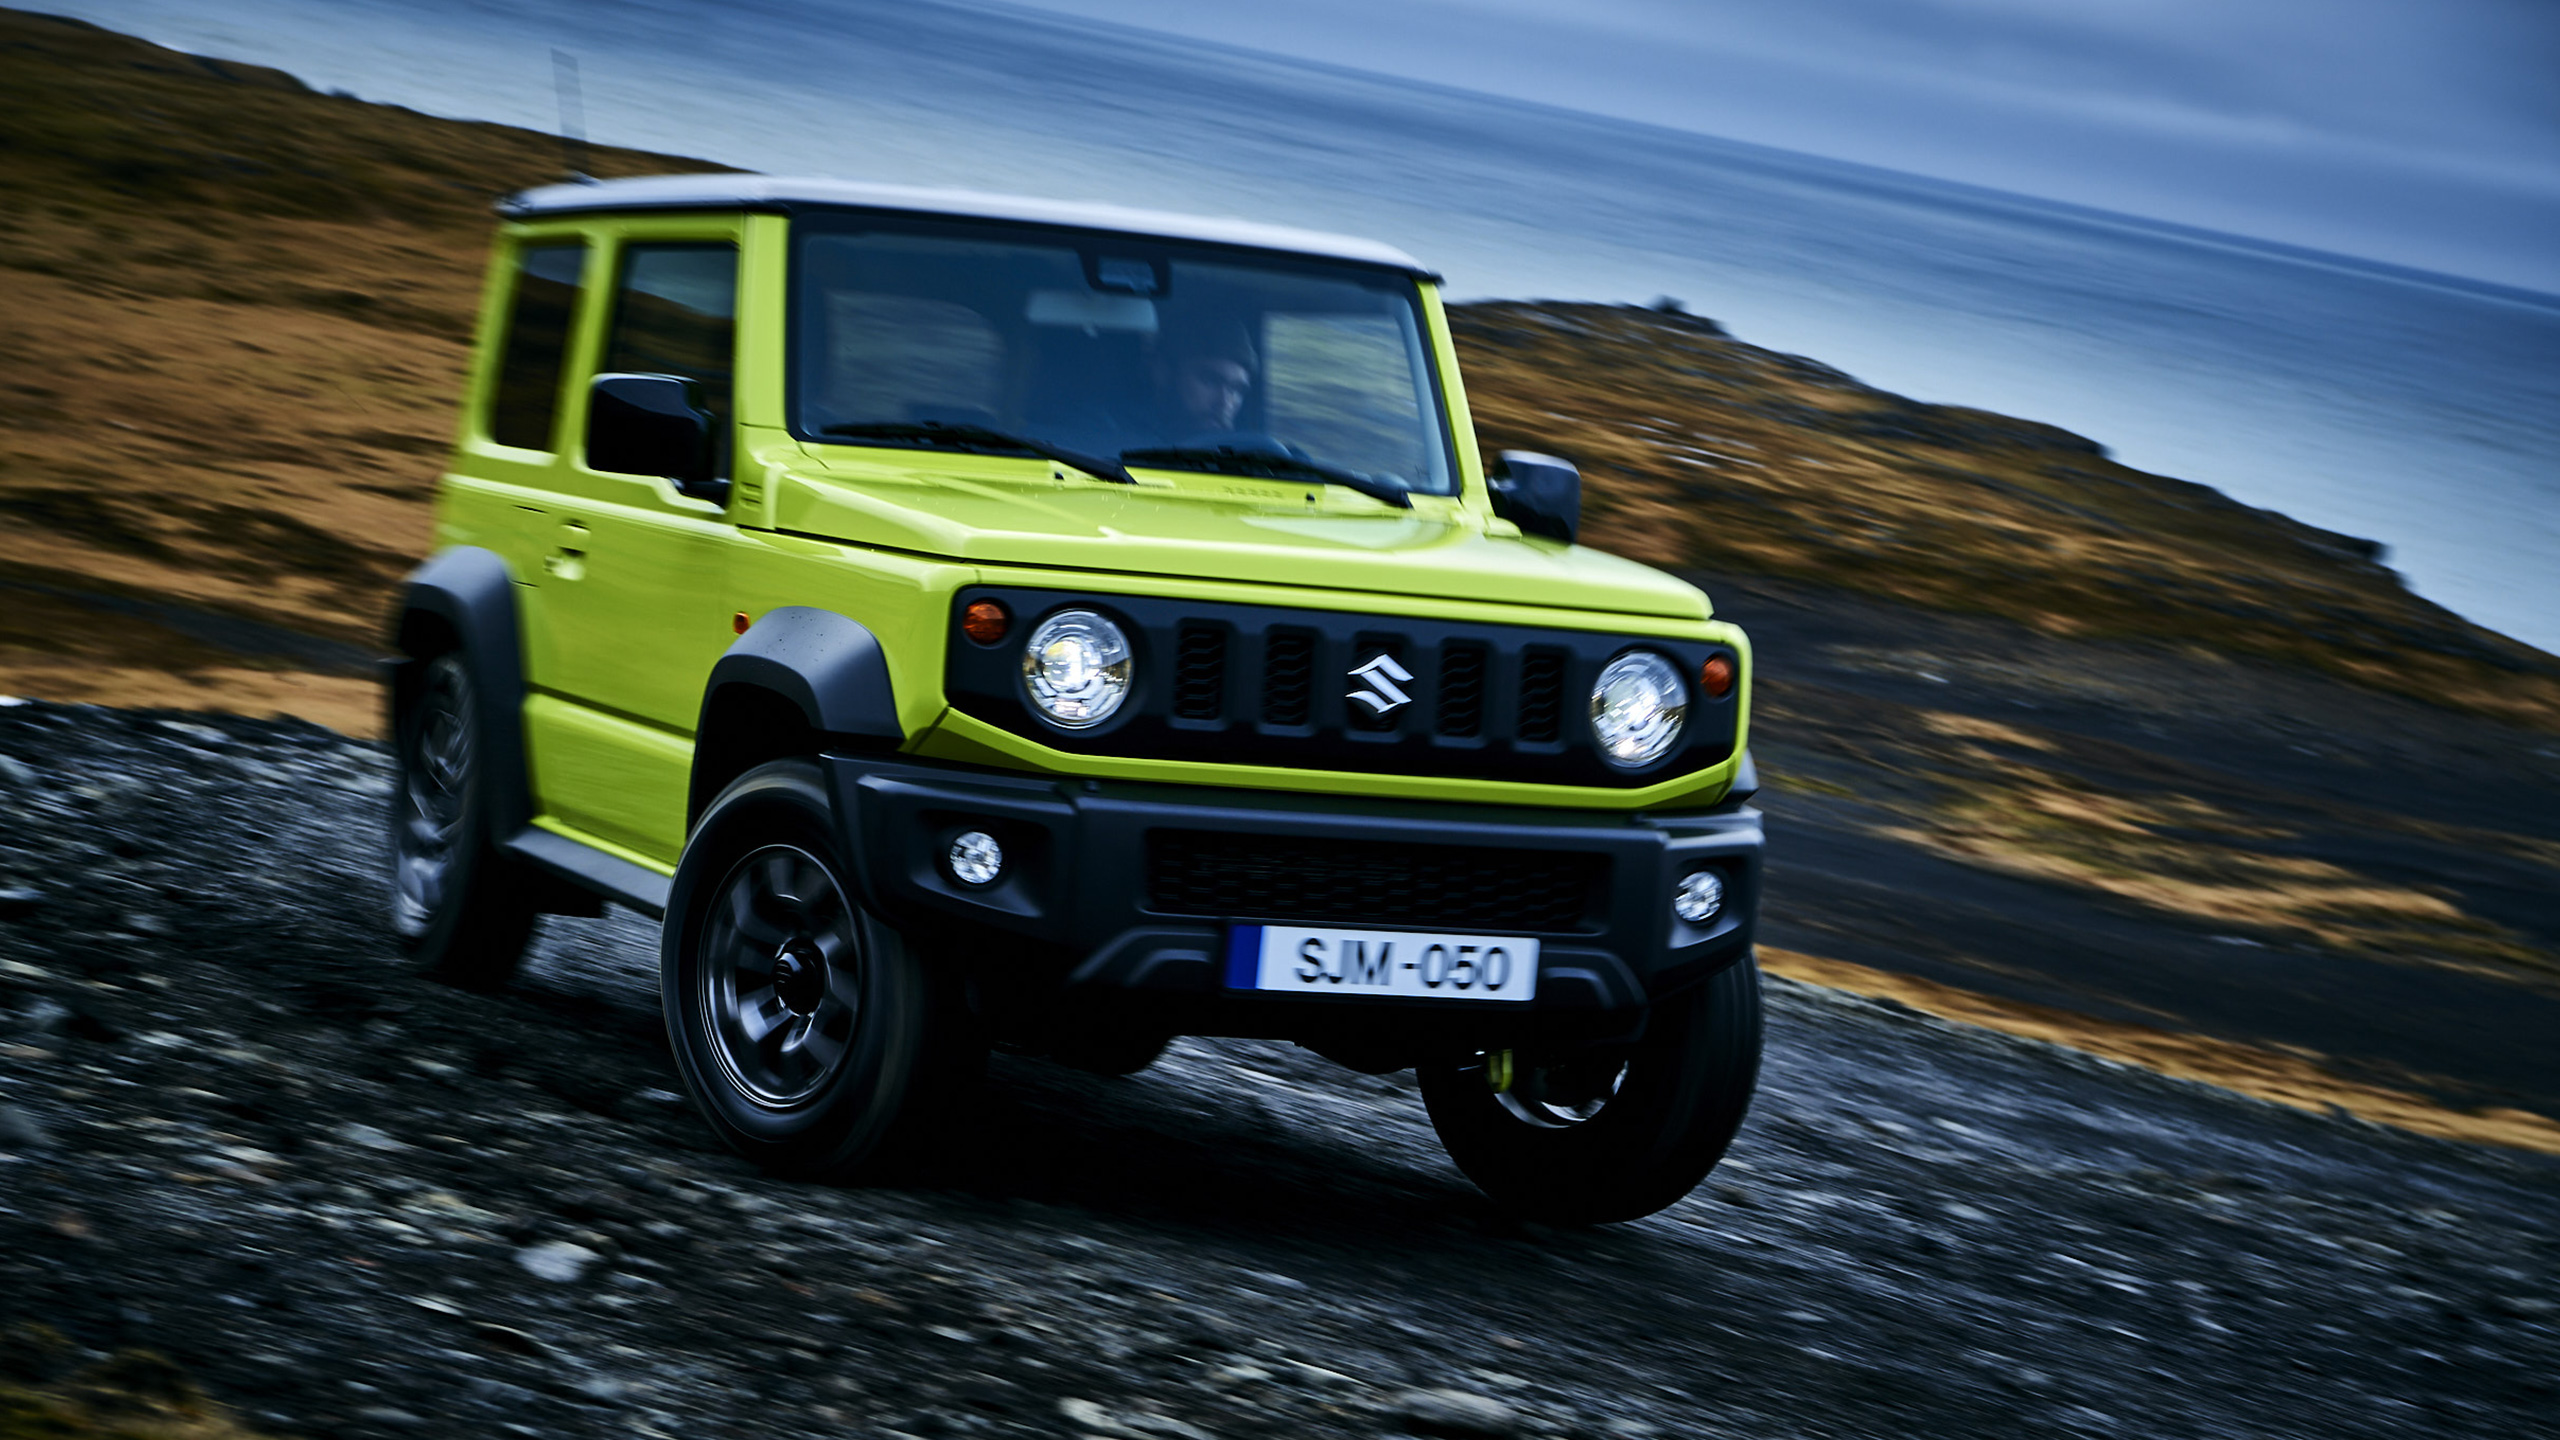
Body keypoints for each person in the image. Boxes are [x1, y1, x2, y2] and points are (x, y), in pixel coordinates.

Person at [1144, 317, 1258, 441]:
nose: (1224, 403)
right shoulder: (1127, 440)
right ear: (1162, 373)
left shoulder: (1244, 451)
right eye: (1210, 382)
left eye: (1236, 389)